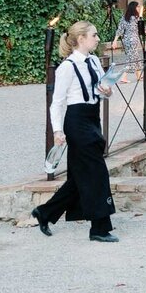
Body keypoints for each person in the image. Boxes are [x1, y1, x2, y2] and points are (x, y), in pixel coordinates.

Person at [32, 21, 117, 242]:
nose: (98, 39)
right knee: (97, 172)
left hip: (92, 117)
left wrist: (106, 91)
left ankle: (45, 212)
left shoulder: (95, 61)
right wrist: (58, 131)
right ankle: (99, 228)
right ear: (81, 39)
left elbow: (101, 91)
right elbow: (57, 103)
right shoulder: (67, 67)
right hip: (76, 121)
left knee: (81, 175)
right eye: (94, 35)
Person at [112, 1, 146, 82]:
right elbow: (143, 28)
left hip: (126, 40)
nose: (139, 8)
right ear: (134, 8)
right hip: (133, 40)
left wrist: (115, 40)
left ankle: (139, 75)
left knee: (135, 56)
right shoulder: (136, 18)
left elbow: (120, 30)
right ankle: (124, 77)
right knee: (131, 58)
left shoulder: (124, 17)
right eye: (137, 7)